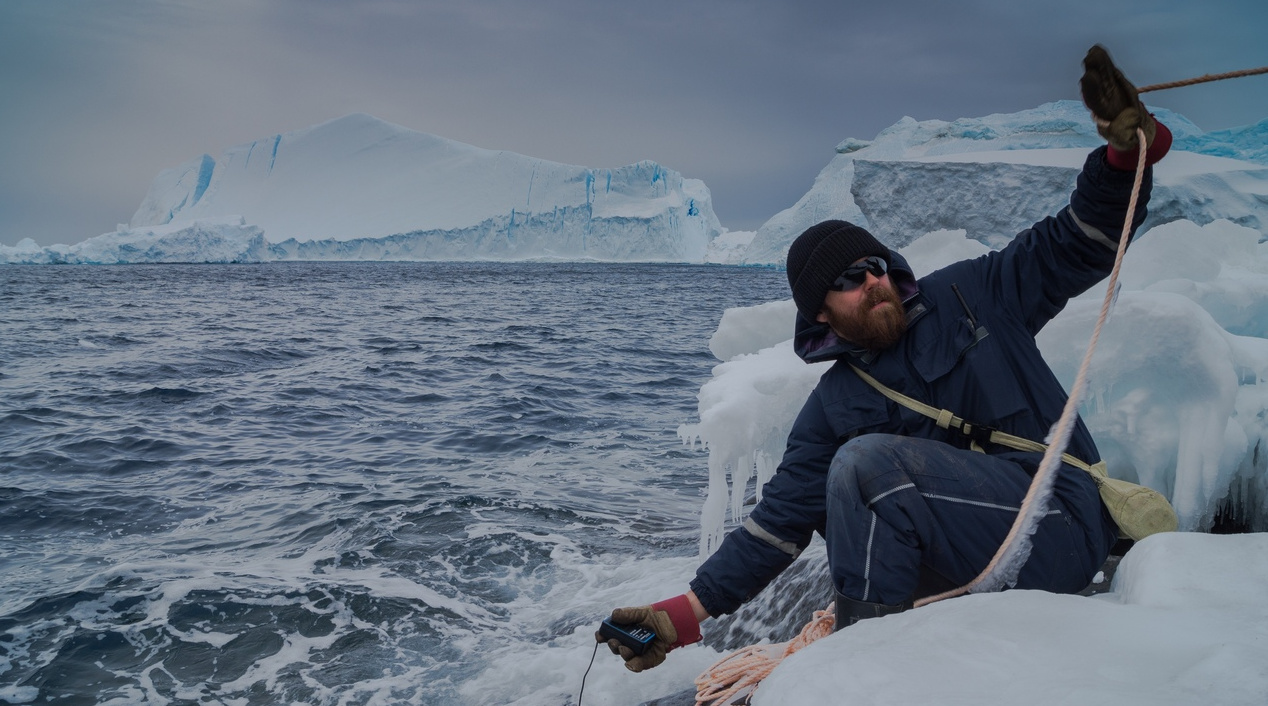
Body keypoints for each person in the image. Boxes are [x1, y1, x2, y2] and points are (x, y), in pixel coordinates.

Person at [599, 46, 1174, 672]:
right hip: (969, 562)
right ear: (820, 312)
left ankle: (863, 674)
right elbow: (777, 526)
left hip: (1057, 523)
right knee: (844, 482)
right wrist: (674, 618)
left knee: (866, 469)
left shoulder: (972, 294)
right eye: (849, 278)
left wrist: (1122, 156)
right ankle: (881, 653)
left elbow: (1076, 243)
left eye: (876, 265)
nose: (872, 280)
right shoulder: (833, 406)